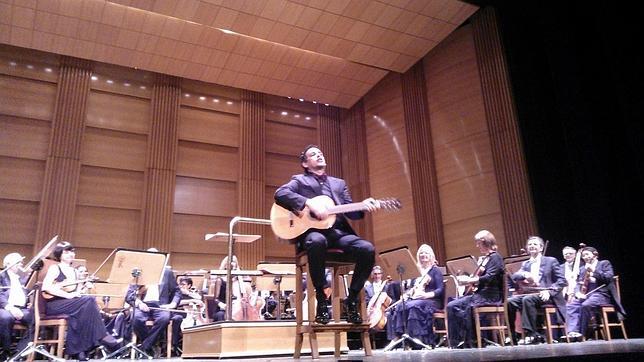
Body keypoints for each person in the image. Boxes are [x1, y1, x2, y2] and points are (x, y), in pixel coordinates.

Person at [274, 144, 377, 324]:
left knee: (367, 249)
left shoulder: (338, 183)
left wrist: (364, 206)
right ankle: (322, 298)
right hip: (312, 233)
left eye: (321, 153)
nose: (320, 155)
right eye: (314, 154)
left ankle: (352, 299)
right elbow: (281, 194)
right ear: (305, 164)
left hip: (338, 233)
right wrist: (308, 203)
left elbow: (351, 212)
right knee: (317, 241)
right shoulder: (299, 180)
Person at [41, 242, 122, 360]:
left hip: (71, 305)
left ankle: (80, 353)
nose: (71, 254)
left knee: (83, 311)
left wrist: (85, 286)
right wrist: (67, 295)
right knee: (88, 302)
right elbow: (46, 287)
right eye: (66, 252)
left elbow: (77, 294)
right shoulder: (55, 268)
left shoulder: (74, 271)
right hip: (55, 304)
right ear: (59, 254)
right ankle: (104, 337)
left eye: (72, 251)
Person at [446, 230, 504, 348]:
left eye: (478, 243)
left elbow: (489, 277)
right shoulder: (485, 259)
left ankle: (472, 340)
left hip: (490, 296)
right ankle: (456, 342)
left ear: (485, 242)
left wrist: (469, 280)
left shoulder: (495, 257)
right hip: (480, 294)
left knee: (466, 306)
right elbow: (479, 277)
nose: (477, 246)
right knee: (451, 305)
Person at [507, 236, 567, 344]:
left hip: (547, 295)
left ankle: (531, 334)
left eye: (535, 244)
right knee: (509, 302)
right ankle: (512, 335)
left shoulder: (551, 261)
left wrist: (549, 291)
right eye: (530, 244)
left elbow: (562, 281)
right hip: (532, 294)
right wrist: (525, 274)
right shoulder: (526, 263)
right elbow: (515, 276)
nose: (532, 246)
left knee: (527, 300)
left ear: (541, 248)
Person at [386, 244, 444, 348]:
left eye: (426, 252)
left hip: (432, 300)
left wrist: (426, 295)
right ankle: (400, 337)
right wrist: (406, 295)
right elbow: (412, 288)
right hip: (416, 299)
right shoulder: (416, 272)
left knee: (413, 306)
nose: (423, 255)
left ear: (431, 255)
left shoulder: (435, 271)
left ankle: (417, 339)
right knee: (400, 305)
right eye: (421, 253)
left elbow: (440, 290)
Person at [126, 248, 181, 357]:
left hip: (160, 305)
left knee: (164, 318)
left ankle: (144, 347)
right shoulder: (138, 273)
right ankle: (151, 346)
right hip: (143, 305)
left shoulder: (167, 272)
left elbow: (177, 291)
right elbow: (129, 295)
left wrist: (173, 304)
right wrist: (139, 303)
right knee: (136, 319)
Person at [565, 246, 625, 340]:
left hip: (602, 294)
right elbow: (578, 283)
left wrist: (594, 271)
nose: (584, 257)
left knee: (585, 305)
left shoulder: (604, 263)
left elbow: (608, 278)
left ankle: (581, 333)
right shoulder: (582, 269)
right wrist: (577, 293)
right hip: (587, 295)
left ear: (595, 255)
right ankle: (572, 332)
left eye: (587, 254)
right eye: (583, 255)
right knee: (571, 305)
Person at [0, 253, 34, 359]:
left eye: (21, 262)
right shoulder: (1, 276)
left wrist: (30, 301)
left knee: (35, 319)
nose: (21, 264)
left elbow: (29, 292)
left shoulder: (23, 279)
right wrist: (10, 307)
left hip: (22, 308)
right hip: (5, 307)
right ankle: (6, 351)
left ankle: (20, 352)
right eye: (18, 262)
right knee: (5, 318)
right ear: (8, 264)